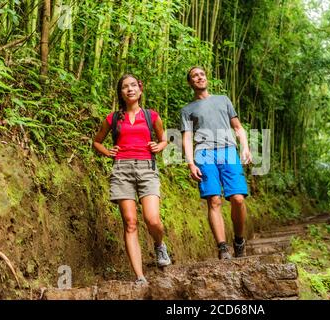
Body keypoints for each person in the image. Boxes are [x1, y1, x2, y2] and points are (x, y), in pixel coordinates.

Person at [93, 74, 171, 286]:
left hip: (147, 168)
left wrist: (159, 146)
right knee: (130, 223)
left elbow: (164, 139)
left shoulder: (151, 116)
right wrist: (107, 152)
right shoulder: (113, 118)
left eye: (133, 85)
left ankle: (159, 245)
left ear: (140, 88)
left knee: (152, 219)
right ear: (121, 93)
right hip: (122, 170)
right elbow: (97, 142)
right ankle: (140, 276)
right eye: (125, 87)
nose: (130, 89)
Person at [181, 66, 252, 260]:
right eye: (194, 76)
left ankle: (238, 240)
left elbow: (238, 127)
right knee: (214, 200)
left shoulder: (223, 100)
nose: (199, 77)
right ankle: (222, 247)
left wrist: (245, 146)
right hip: (203, 154)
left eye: (202, 74)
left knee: (238, 198)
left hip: (228, 150)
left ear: (206, 79)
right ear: (190, 83)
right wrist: (190, 163)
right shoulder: (187, 110)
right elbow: (187, 138)